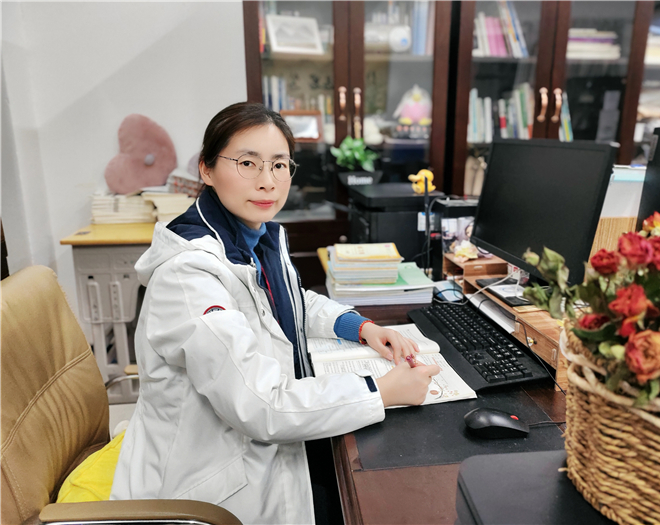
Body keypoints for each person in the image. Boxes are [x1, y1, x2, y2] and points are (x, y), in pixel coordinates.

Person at [110, 102, 440, 524]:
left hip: (263, 448)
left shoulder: (256, 237)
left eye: (279, 165)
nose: (267, 181)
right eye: (248, 163)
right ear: (207, 169)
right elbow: (261, 406)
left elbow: (289, 301)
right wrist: (381, 392)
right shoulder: (189, 276)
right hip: (213, 483)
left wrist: (360, 327)